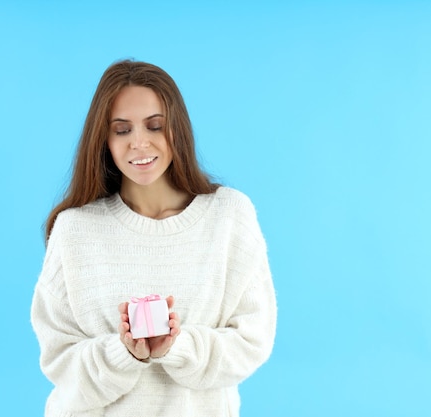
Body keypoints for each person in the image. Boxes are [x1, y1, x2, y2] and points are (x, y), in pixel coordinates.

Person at [31, 60, 277, 417]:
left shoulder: (229, 216)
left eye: (155, 126)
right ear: (105, 139)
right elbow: (59, 359)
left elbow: (251, 341)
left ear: (177, 129)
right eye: (122, 129)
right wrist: (124, 352)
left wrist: (177, 348)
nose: (139, 143)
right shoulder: (75, 230)